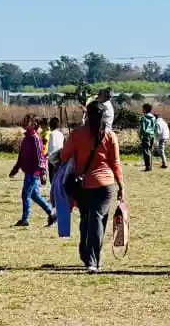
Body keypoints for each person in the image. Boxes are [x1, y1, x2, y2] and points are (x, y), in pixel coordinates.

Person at [59, 100, 124, 272]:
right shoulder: (110, 136)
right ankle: (93, 258)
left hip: (84, 184)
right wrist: (121, 186)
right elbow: (115, 163)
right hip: (106, 185)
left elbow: (64, 156)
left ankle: (89, 257)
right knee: (98, 220)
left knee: (88, 218)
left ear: (87, 114)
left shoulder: (77, 134)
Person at [10, 115, 55, 227]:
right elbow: (22, 155)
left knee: (26, 194)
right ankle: (51, 213)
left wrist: (43, 172)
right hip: (28, 170)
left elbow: (40, 156)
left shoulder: (35, 138)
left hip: (34, 172)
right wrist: (16, 168)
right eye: (25, 121)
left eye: (28, 122)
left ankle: (25, 219)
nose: (25, 123)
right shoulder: (26, 138)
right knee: (34, 195)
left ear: (34, 125)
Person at [46, 116, 67, 186]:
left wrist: (51, 159)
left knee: (53, 181)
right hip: (60, 159)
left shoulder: (52, 134)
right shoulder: (61, 134)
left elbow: (52, 147)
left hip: (53, 161)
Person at [139, 104, 159, 172]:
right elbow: (155, 127)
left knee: (145, 151)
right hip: (152, 135)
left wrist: (140, 135)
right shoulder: (153, 117)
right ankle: (150, 165)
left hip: (146, 136)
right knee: (150, 151)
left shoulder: (143, 117)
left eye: (143, 109)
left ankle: (148, 166)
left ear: (145, 109)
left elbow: (143, 129)